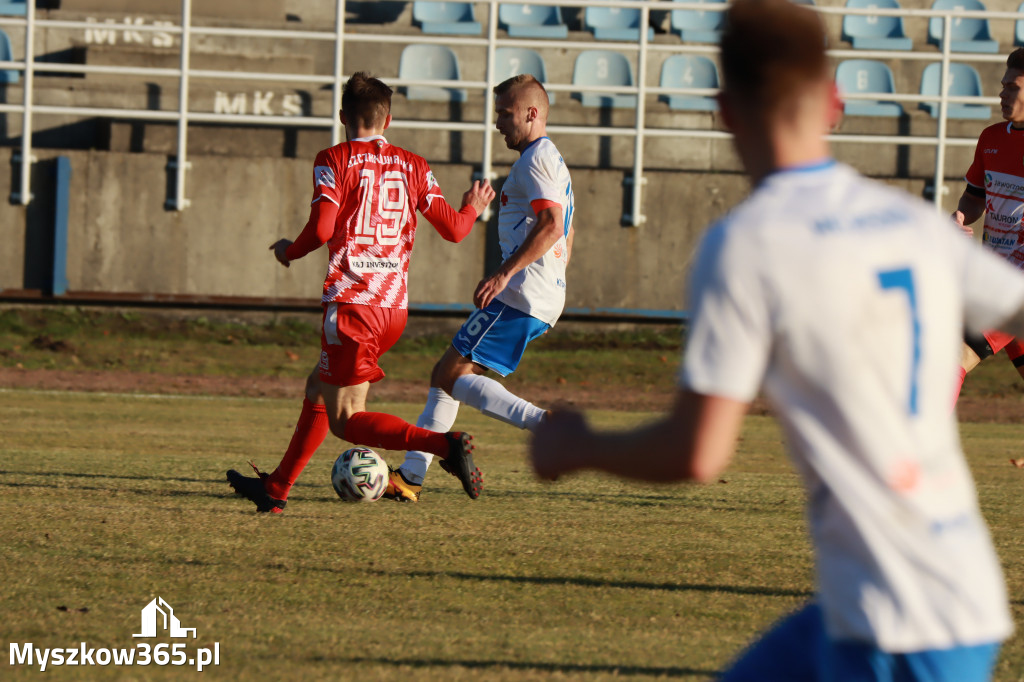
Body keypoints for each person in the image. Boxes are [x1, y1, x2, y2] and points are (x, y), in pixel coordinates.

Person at [531, 0, 1023, 679]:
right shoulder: (905, 220)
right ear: (837, 103)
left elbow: (697, 451)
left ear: (726, 110)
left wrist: (577, 445)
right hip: (940, 590)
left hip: (898, 623)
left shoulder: (745, 246)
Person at [227, 72, 495, 512]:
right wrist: (473, 206)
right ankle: (275, 490)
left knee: (347, 420)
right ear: (387, 120)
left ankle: (444, 447)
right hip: (392, 309)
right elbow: (454, 230)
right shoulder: (415, 164)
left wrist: (288, 251)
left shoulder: (333, 159)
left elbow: (322, 229)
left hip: (353, 306)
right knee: (318, 386)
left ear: (341, 117)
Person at [384, 74, 574, 502]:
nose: (498, 123)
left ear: (532, 113)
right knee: (450, 375)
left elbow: (551, 225)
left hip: (521, 292)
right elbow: (567, 230)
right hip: (536, 291)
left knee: (448, 375)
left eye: (505, 114)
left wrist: (505, 274)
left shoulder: (536, 160)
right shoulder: (550, 159)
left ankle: (546, 426)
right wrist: (556, 277)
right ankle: (412, 476)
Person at [950, 48, 1024, 406]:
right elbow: (974, 197)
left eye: (1013, 86)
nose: (1003, 93)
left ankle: (917, 459)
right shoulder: (991, 138)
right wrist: (960, 217)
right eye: (1003, 86)